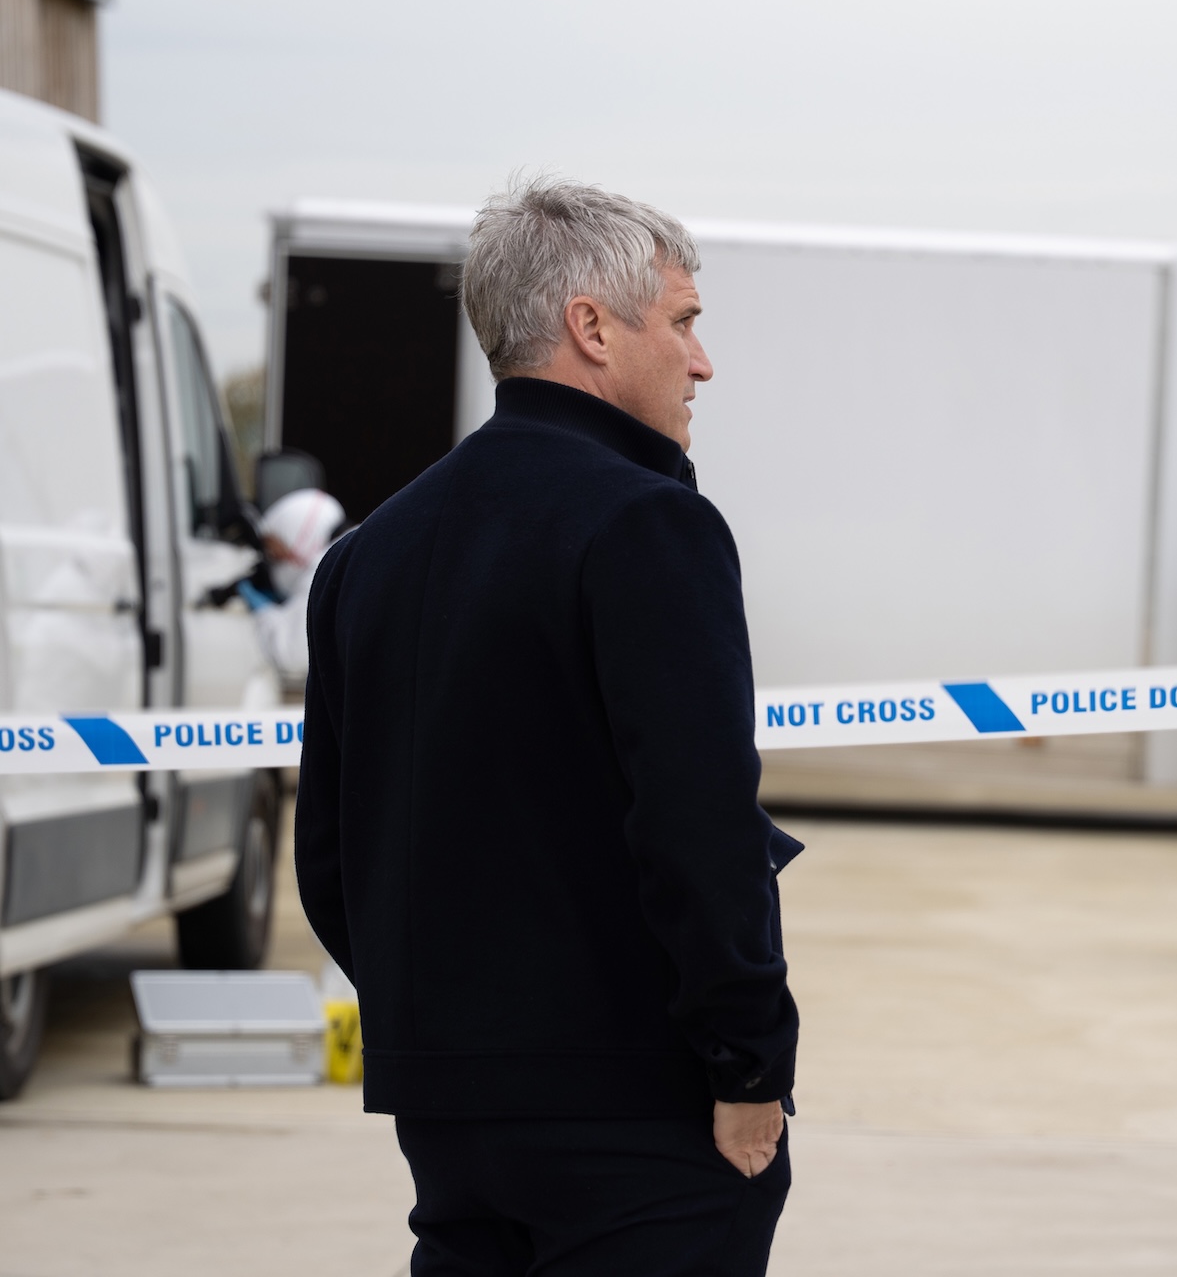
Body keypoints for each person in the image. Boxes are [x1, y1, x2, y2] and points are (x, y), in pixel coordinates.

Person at [295, 177, 800, 1277]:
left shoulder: (366, 555)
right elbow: (699, 827)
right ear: (591, 327)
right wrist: (751, 1061)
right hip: (639, 1116)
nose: (702, 362)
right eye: (683, 321)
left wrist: (451, 1041)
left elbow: (331, 854)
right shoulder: (650, 523)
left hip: (450, 1118)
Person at [234, 487, 346, 684]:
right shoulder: (350, 550)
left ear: (300, 539)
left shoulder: (326, 569)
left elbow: (292, 655)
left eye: (276, 555)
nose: (275, 566)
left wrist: (264, 612)